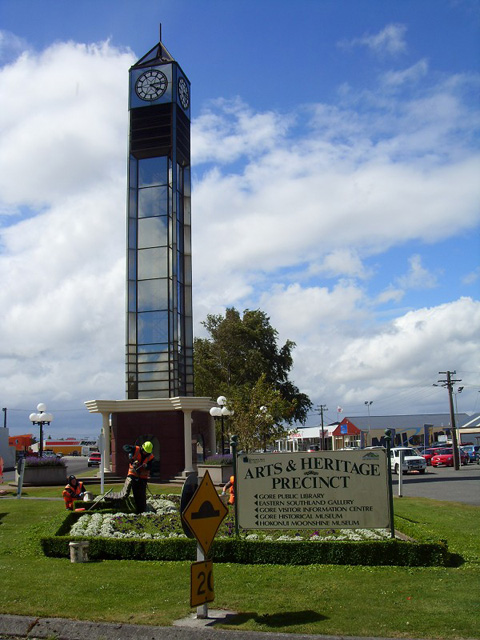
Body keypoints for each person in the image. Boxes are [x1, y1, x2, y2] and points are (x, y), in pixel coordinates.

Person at [123, 441, 154, 513]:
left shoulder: (151, 457)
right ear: (142, 448)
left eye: (147, 452)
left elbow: (151, 467)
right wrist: (130, 454)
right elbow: (125, 447)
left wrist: (146, 466)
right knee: (136, 493)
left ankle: (142, 510)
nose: (145, 453)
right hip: (133, 474)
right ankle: (138, 509)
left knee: (142, 494)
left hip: (143, 477)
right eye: (144, 451)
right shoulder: (135, 449)